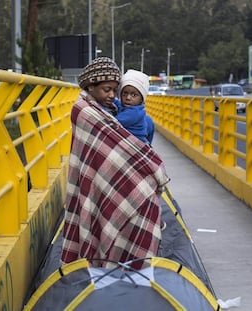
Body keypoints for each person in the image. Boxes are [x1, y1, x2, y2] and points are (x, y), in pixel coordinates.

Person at [61, 57, 170, 270]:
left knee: (136, 210)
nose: (113, 95)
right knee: (105, 214)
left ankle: (126, 264)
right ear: (90, 86)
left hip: (117, 175)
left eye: (114, 90)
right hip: (100, 180)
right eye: (108, 90)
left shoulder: (109, 109)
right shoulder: (85, 111)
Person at [115, 69, 155, 144]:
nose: (128, 98)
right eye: (125, 93)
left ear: (141, 99)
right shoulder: (127, 107)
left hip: (134, 145)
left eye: (134, 95)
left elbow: (114, 123)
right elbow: (118, 103)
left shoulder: (134, 112)